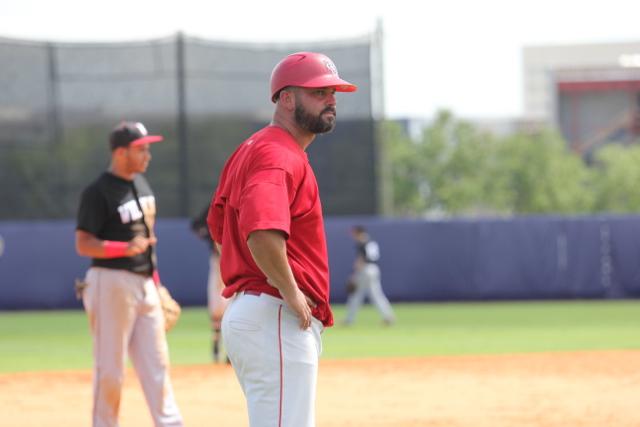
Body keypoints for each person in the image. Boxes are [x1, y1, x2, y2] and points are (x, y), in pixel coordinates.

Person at [207, 51, 357, 427]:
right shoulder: (277, 154)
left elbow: (221, 231)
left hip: (258, 310)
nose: (331, 100)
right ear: (286, 98)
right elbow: (260, 232)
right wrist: (288, 291)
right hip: (274, 312)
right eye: (319, 92)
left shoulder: (254, 148)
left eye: (333, 92)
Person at [75, 121, 184, 427]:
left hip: (145, 282)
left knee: (157, 363)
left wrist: (156, 283)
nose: (148, 155)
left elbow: (146, 242)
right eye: (142, 149)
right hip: (110, 283)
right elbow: (83, 244)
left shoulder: (141, 184)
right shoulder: (98, 192)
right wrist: (123, 248)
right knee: (110, 368)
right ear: (121, 152)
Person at [190, 206, 229, 362]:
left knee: (231, 301)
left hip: (233, 259)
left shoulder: (237, 202)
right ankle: (216, 344)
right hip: (217, 259)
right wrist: (209, 237)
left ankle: (229, 350)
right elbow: (196, 225)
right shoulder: (214, 205)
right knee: (217, 302)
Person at [343, 225, 395, 326]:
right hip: (374, 269)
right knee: (376, 294)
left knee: (356, 295)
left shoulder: (361, 242)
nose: (353, 235)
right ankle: (388, 316)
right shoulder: (371, 241)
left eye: (354, 233)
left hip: (365, 269)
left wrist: (354, 275)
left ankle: (349, 319)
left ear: (359, 232)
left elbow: (361, 259)